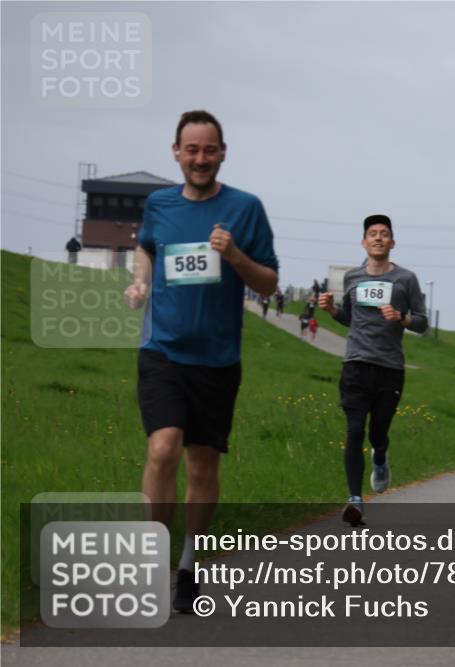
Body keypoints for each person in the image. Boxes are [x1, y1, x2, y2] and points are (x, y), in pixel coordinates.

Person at [123, 110, 279, 613]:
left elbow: (269, 283)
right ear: (176, 152)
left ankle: (189, 564)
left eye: (209, 150)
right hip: (163, 350)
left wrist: (234, 255)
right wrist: (141, 280)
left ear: (223, 152)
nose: (200, 159)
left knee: (202, 464)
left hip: (216, 359)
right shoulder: (159, 204)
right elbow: (146, 248)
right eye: (191, 150)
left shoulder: (245, 208)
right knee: (163, 448)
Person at [319, 214, 427, 526]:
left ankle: (380, 457)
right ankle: (355, 499)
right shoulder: (352, 277)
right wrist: (331, 311)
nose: (378, 238)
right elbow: (351, 319)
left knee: (378, 432)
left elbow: (422, 322)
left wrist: (402, 318)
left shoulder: (406, 279)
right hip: (355, 363)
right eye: (372, 233)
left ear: (392, 243)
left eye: (384, 234)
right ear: (364, 242)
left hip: (390, 368)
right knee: (354, 430)